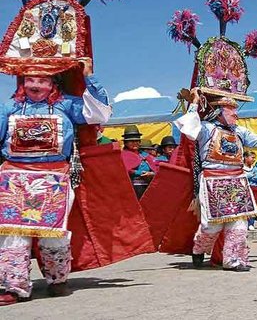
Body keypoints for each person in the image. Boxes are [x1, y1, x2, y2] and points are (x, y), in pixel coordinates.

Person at [0, 60, 111, 305]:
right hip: (14, 178)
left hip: (54, 179)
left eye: (42, 80)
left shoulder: (66, 106)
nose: (36, 85)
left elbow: (100, 113)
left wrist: (89, 76)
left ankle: (57, 279)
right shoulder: (9, 108)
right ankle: (14, 287)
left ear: (52, 84)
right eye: (31, 80)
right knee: (12, 235)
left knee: (54, 233)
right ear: (23, 82)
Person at [175, 89, 257, 271]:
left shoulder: (239, 131)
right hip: (214, 180)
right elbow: (189, 129)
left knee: (239, 224)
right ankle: (199, 249)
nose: (236, 113)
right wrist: (195, 102)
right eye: (230, 110)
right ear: (218, 111)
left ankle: (233, 260)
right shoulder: (206, 128)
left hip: (237, 181)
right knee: (212, 225)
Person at [121, 126, 157, 199]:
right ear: (126, 143)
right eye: (131, 141)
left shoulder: (146, 156)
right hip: (131, 190)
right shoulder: (122, 155)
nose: (135, 143)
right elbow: (124, 170)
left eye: (137, 141)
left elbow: (156, 169)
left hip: (148, 188)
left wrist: (152, 174)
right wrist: (139, 173)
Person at [243, 151, 257, 231]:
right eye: (252, 157)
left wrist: (250, 177)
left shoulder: (254, 168)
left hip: (254, 189)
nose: (254, 159)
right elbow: (243, 176)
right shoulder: (241, 167)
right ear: (245, 157)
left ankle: (251, 223)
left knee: (253, 207)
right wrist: (252, 176)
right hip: (244, 190)